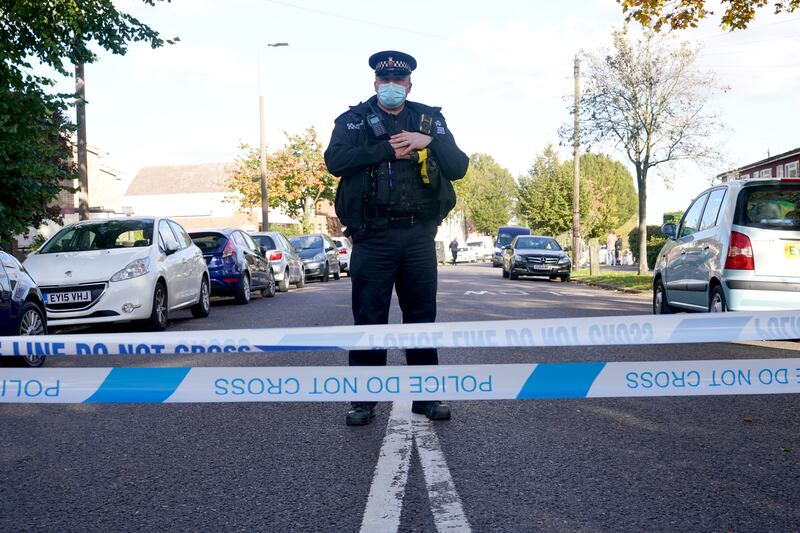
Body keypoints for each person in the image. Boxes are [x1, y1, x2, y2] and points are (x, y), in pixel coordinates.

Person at [324, 50, 469, 426]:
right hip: (373, 235)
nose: (392, 87)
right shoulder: (353, 121)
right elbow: (335, 162)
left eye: (398, 81)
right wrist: (384, 148)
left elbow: (459, 166)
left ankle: (427, 397)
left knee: (421, 318)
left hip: (419, 235)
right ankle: (363, 401)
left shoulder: (429, 120)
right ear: (375, 84)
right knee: (370, 319)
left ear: (409, 85)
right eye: (384, 81)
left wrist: (428, 142)